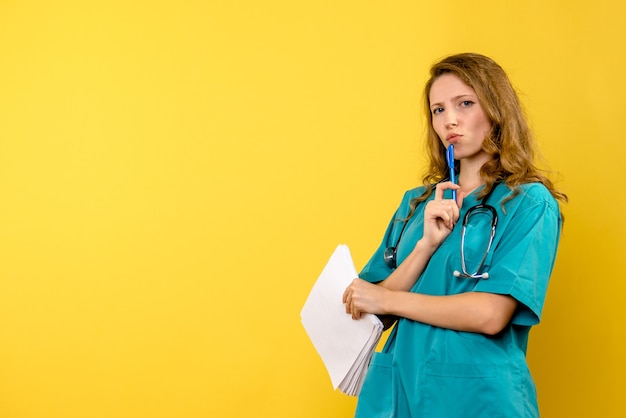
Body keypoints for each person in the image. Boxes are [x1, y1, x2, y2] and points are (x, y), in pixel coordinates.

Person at [342, 53, 567, 417]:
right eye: (438, 110)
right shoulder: (416, 205)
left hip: (478, 397)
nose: (450, 120)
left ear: (496, 109)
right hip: (400, 391)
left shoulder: (528, 203)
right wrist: (425, 246)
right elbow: (370, 309)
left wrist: (388, 302)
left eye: (465, 103)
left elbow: (491, 313)